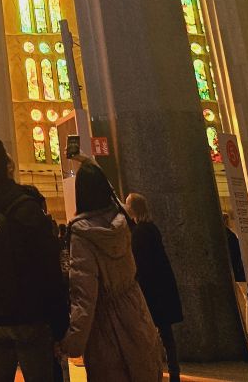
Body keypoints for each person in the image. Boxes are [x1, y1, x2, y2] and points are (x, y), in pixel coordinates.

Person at [0, 137, 67, 382]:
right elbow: (48, 266)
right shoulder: (26, 205)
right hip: (29, 316)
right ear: (7, 164)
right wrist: (60, 321)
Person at [62, 162, 162, 381]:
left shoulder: (82, 235)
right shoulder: (123, 224)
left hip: (105, 329)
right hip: (136, 314)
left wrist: (72, 342)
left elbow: (85, 296)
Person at [125, 192, 183, 382]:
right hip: (162, 287)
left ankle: (155, 369)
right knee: (166, 333)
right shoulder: (151, 228)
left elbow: (140, 263)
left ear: (133, 208)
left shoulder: (139, 233)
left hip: (150, 289)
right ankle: (173, 371)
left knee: (150, 333)